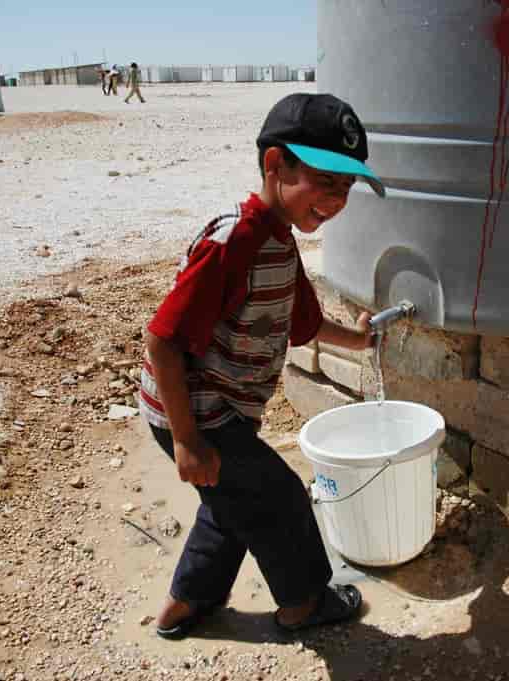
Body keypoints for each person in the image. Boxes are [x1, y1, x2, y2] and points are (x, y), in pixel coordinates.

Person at [140, 93, 387, 640]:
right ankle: (303, 604)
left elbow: (304, 325)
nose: (338, 200)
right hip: (196, 410)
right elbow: (162, 343)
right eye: (327, 182)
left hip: (221, 411)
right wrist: (187, 441)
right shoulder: (237, 240)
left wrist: (360, 340)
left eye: (347, 188)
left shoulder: (280, 242)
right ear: (277, 165)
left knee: (231, 505)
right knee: (280, 499)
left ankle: (185, 605)